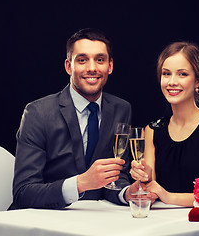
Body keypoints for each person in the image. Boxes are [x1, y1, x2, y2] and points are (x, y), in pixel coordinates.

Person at [10, 28, 139, 210]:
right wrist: (80, 183)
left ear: (110, 66)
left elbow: (117, 177)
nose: (92, 68)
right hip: (44, 219)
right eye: (82, 60)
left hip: (96, 219)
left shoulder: (122, 108)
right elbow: (23, 193)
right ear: (69, 66)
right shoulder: (37, 113)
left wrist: (126, 193)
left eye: (100, 60)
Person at [130, 42, 199, 207]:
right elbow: (151, 190)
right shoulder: (152, 130)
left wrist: (168, 196)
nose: (171, 82)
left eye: (182, 74)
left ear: (198, 81)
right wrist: (144, 178)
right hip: (162, 223)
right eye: (166, 74)